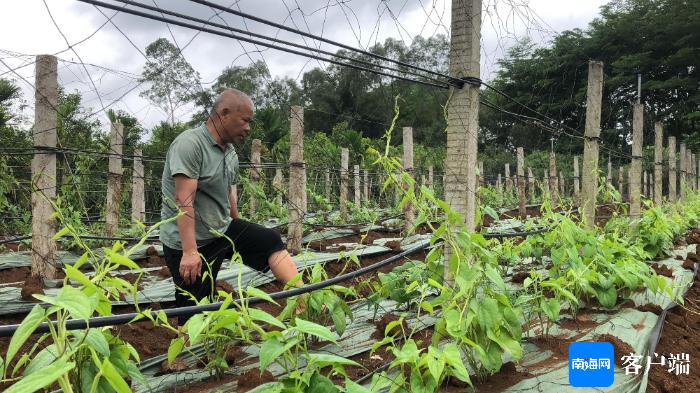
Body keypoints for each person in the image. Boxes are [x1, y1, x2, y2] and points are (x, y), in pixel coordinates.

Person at [159, 88, 301, 325]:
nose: (248, 128)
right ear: (224, 114)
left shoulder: (230, 152)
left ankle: (303, 300)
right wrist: (190, 252)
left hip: (220, 230)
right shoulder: (190, 144)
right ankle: (179, 357)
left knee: (270, 240)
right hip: (187, 241)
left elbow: (227, 192)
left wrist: (237, 225)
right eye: (245, 120)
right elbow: (184, 201)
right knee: (195, 309)